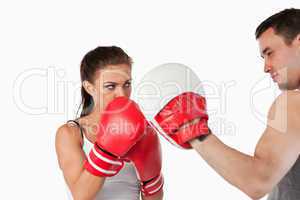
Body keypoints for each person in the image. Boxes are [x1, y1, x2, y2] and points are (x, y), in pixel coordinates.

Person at [137, 8, 300, 200]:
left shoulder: (293, 103)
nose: (266, 67)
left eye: (269, 53)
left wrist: (190, 127)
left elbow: (257, 181)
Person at [55, 46, 163, 200]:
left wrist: (152, 182)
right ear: (89, 87)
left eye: (127, 84)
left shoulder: (141, 129)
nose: (122, 94)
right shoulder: (71, 133)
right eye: (110, 86)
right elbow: (81, 196)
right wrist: (107, 153)